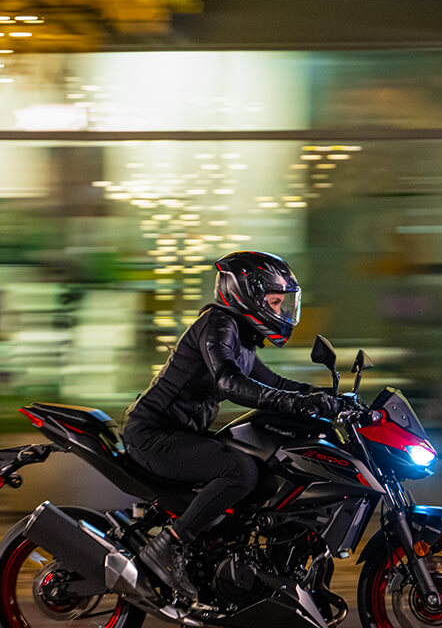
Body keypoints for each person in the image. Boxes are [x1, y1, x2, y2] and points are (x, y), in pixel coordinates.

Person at [123, 250, 339, 601]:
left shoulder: (239, 336)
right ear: (247, 294)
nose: (281, 311)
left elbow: (272, 382)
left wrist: (325, 397)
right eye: (274, 301)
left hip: (180, 434)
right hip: (153, 435)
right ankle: (167, 547)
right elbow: (230, 382)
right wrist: (298, 403)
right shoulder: (217, 325)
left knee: (260, 467)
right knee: (239, 471)